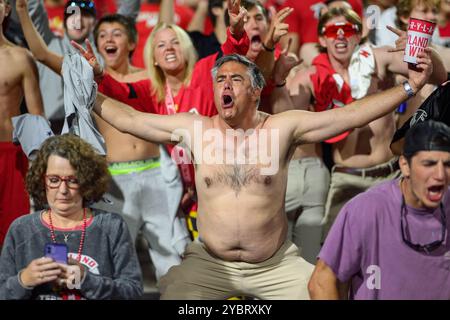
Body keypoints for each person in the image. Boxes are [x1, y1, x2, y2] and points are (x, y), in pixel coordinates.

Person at [81, 48, 432, 299]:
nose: (225, 86)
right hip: (209, 262)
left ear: (255, 90)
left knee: (321, 292)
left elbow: (349, 116)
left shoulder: (282, 128)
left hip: (275, 265)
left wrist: (409, 87)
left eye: (235, 79)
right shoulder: (195, 127)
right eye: (219, 80)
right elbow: (131, 119)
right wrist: (88, 89)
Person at [288, 7, 447, 238]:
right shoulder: (312, 76)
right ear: (322, 37)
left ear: (358, 33)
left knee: (400, 245)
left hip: (390, 175)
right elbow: (290, 119)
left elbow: (438, 77)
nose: (341, 35)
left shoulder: (378, 58)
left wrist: (424, 50)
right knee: (338, 259)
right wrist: (281, 81)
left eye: (348, 29)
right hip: (346, 178)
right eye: (333, 30)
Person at [91, 13, 190, 280]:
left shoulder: (151, 78)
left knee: (172, 262)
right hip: (114, 182)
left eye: (117, 33)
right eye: (102, 35)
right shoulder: (88, 85)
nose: (109, 39)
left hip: (157, 173)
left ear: (133, 43)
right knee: (111, 262)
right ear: (97, 45)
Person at [309, 120, 450, 300]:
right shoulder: (367, 209)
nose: (440, 175)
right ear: (405, 165)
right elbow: (321, 282)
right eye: (429, 164)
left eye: (447, 164)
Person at [0, 134, 143, 300]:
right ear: (41, 180)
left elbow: (132, 293)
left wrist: (86, 280)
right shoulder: (21, 229)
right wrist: (24, 280)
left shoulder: (111, 227)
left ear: (87, 181)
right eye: (54, 180)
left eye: (73, 180)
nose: (63, 190)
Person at [15, 0, 140, 133]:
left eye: (85, 15)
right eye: (72, 15)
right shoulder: (47, 43)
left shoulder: (104, 51)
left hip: (95, 131)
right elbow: (33, 8)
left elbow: (127, 14)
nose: (78, 20)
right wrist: (23, 7)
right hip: (51, 132)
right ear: (64, 22)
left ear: (95, 23)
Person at [0, 0, 44, 246]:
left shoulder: (21, 57)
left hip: (13, 156)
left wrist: (42, 165)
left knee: (16, 232)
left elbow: (37, 116)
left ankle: (15, 284)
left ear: (6, 9)